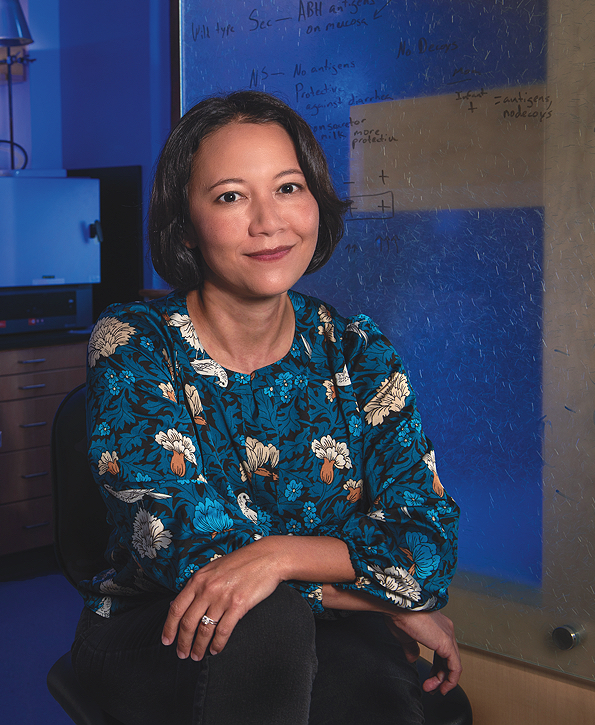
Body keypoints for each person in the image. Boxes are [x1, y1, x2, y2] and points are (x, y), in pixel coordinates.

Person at [72, 90, 461, 725]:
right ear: (185, 224)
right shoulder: (134, 342)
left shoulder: (359, 351)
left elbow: (427, 544)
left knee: (378, 700)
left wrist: (278, 556)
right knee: (265, 617)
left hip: (313, 632)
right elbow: (187, 544)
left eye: (287, 188)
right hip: (159, 631)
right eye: (230, 196)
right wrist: (385, 597)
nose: (268, 221)